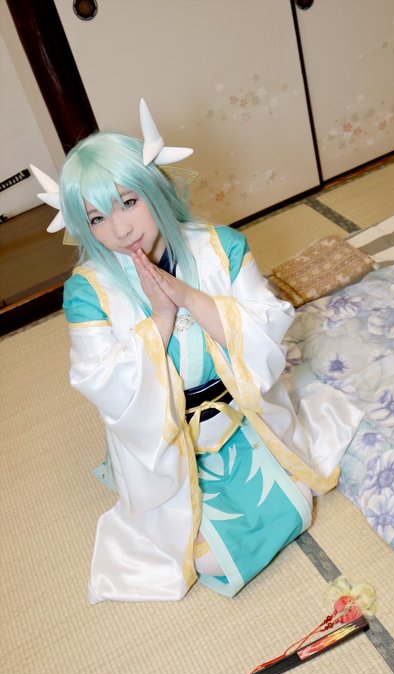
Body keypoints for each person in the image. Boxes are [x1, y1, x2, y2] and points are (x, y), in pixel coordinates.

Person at [31, 100, 362, 603]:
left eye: (128, 202)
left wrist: (187, 297)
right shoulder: (87, 290)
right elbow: (101, 381)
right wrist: (161, 320)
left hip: (241, 415)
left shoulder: (220, 245)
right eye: (97, 217)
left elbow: (268, 326)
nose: (120, 230)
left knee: (298, 503)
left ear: (154, 189)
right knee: (205, 559)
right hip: (164, 438)